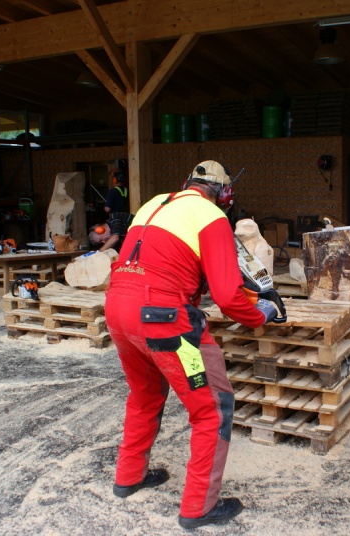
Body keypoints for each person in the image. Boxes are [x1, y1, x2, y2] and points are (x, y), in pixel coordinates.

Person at [104, 160, 280, 529]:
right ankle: (199, 506)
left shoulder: (154, 204)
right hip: (165, 322)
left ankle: (129, 476)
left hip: (119, 311)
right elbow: (228, 296)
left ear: (188, 184)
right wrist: (260, 313)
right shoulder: (211, 216)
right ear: (224, 194)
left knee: (144, 395)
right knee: (212, 409)